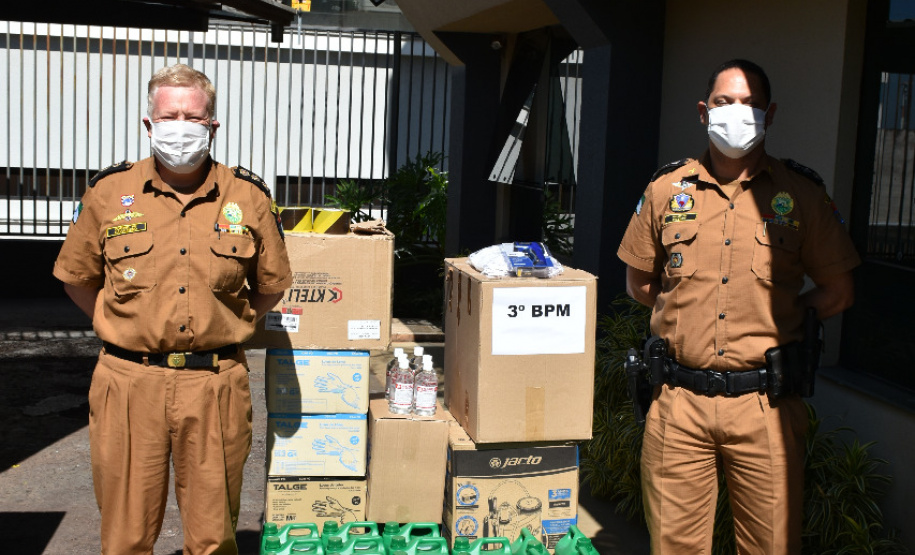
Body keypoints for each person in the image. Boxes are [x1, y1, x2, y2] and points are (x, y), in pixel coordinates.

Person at [617, 59, 860, 554]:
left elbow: (838, 290)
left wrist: (784, 313)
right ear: (704, 113)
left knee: (770, 546)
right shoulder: (667, 190)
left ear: (769, 114)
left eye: (749, 103)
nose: (738, 112)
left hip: (764, 407)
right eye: (726, 102)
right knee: (674, 547)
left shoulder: (802, 196)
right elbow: (640, 284)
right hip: (678, 404)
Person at [53, 64, 292, 554]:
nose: (179, 126)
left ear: (213, 125)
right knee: (125, 533)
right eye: (169, 116)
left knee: (212, 536)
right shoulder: (107, 194)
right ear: (148, 124)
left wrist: (226, 323)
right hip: (127, 382)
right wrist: (122, 322)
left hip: (215, 384)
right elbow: (78, 280)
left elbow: (270, 286)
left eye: (192, 117)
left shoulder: (248, 197)